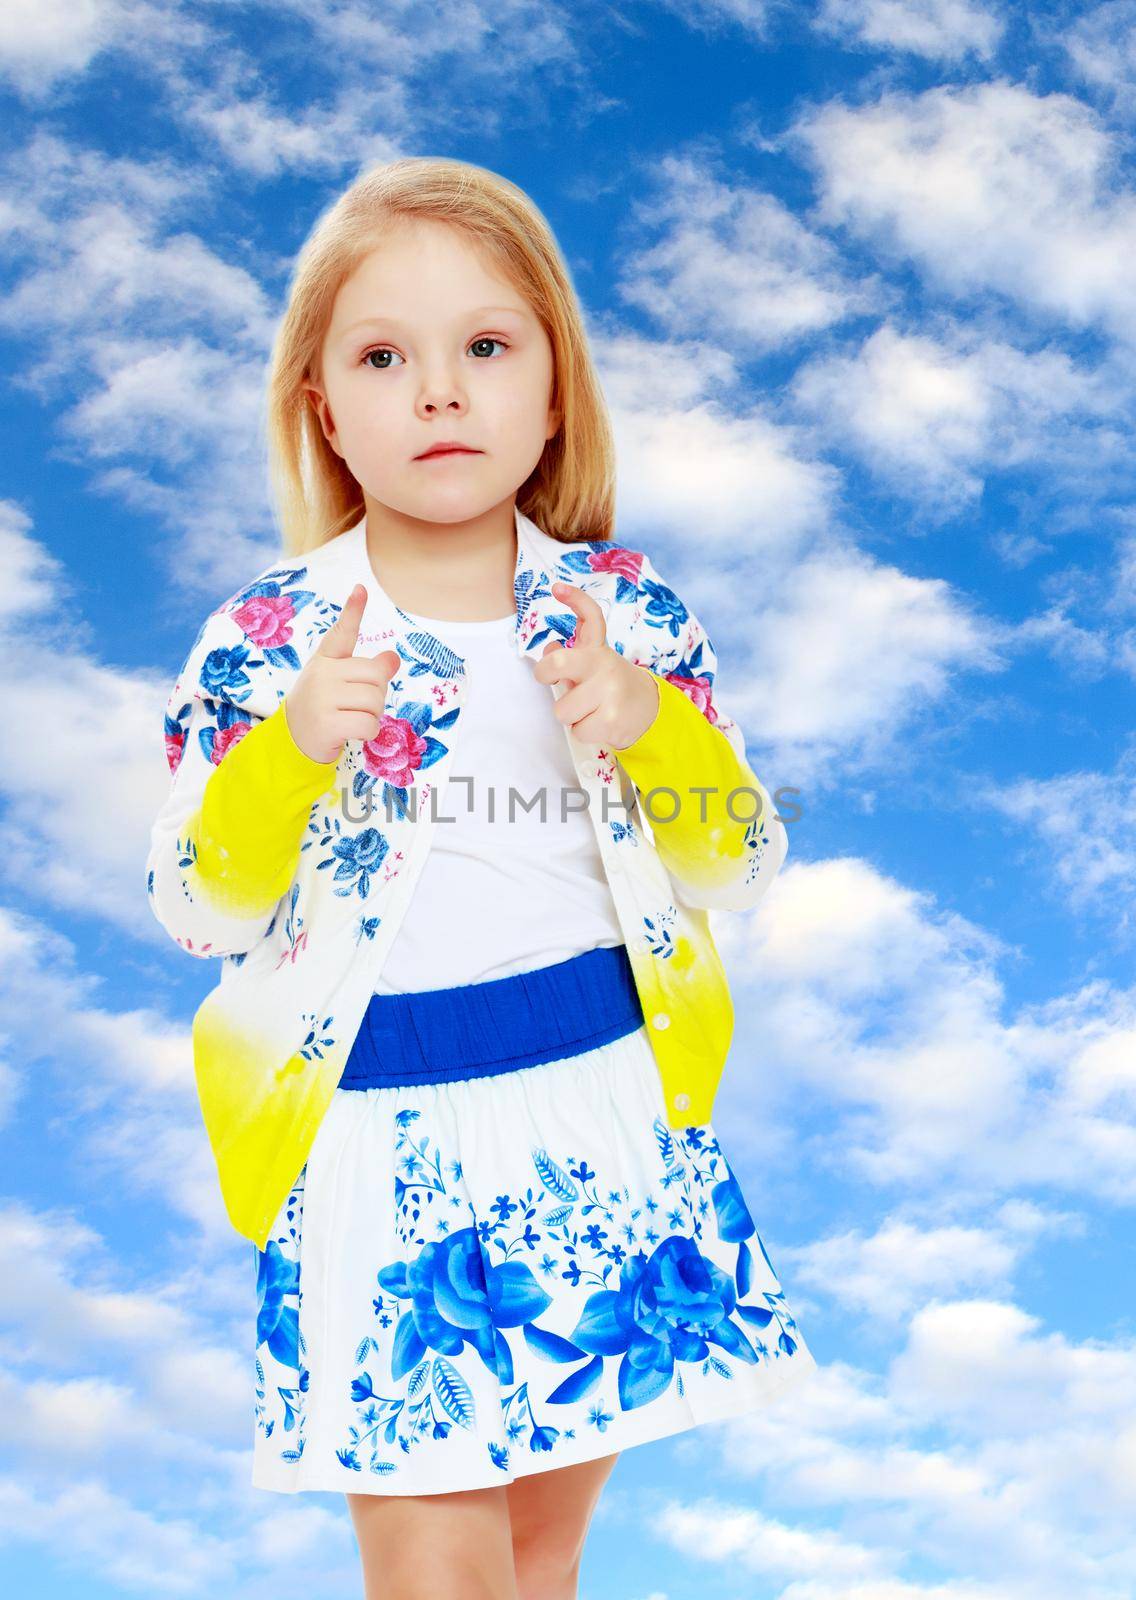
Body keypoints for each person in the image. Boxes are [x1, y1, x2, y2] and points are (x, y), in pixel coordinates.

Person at [146, 155, 818, 1600]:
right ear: (324, 402)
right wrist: (285, 757)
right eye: (386, 355)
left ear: (554, 386)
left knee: (536, 1555)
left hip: (601, 1110)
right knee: (434, 1569)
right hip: (374, 1136)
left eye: (486, 347)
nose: (440, 391)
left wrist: (655, 721)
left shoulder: (624, 610)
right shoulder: (269, 636)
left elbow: (743, 861)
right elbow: (196, 908)